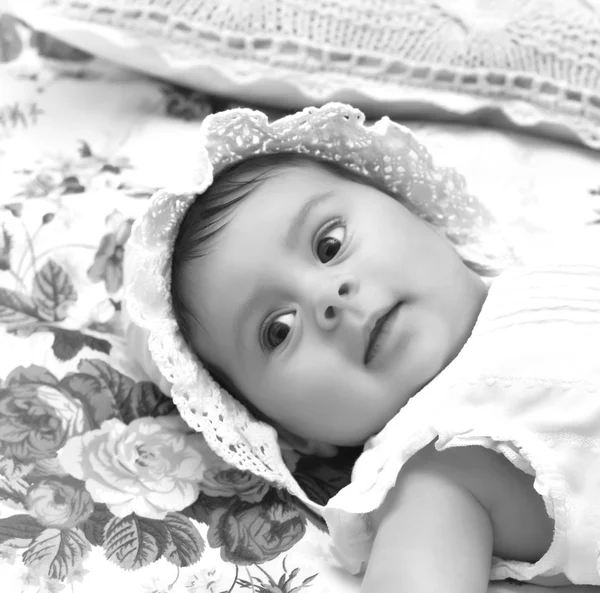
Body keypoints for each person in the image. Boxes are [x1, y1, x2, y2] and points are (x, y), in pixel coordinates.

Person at [124, 103, 600, 593]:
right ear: (291, 436)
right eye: (278, 330)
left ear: (410, 206)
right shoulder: (439, 471)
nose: (326, 299)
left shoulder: (550, 269)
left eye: (329, 245)